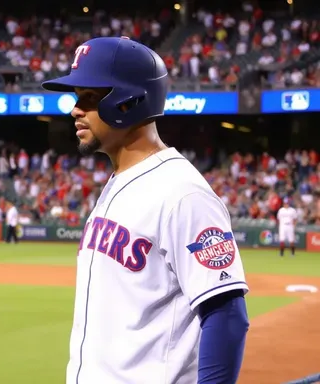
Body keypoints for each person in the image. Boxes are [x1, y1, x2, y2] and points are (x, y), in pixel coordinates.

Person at [41, 37, 249, 384]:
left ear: (128, 101)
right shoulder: (118, 183)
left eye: (89, 97)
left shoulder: (182, 192)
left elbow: (226, 315)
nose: (75, 109)